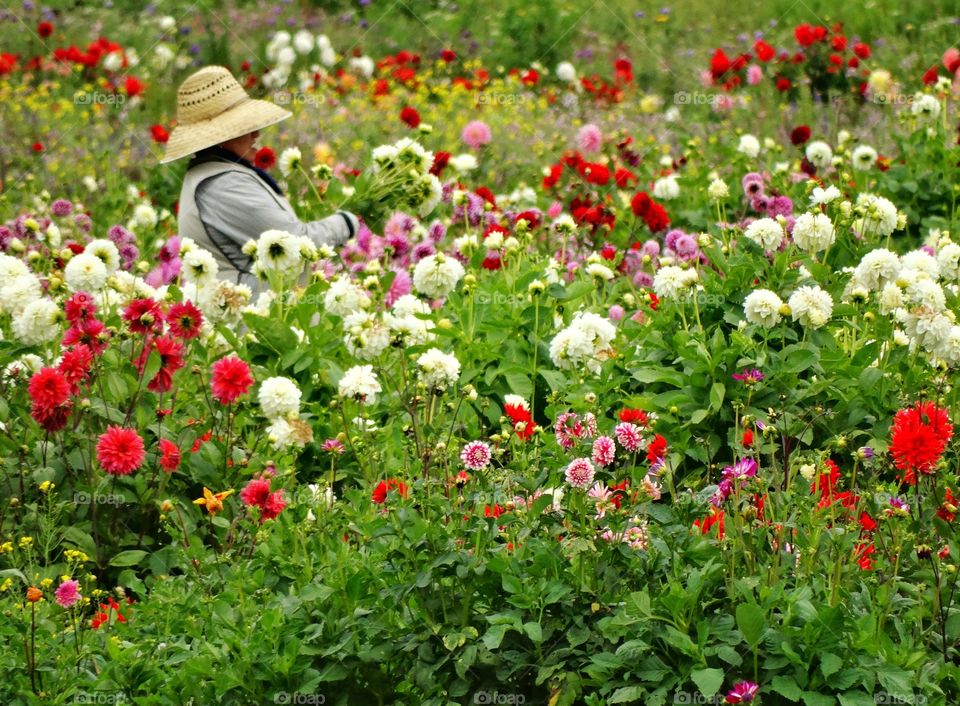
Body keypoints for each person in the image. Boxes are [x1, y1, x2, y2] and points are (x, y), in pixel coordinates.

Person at [161, 65, 357, 289]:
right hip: (252, 318)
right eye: (243, 127)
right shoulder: (223, 185)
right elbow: (296, 243)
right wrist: (349, 222)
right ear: (219, 137)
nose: (256, 133)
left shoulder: (217, 172)